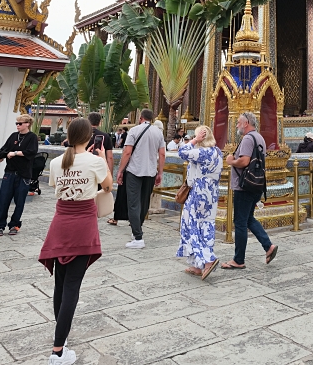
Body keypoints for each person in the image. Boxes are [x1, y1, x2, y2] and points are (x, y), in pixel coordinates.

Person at [40, 117, 111, 365]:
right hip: (82, 224)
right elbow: (108, 186)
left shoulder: (58, 161)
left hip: (61, 223)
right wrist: (101, 159)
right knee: (72, 287)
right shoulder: (94, 161)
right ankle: (58, 351)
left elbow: (54, 186)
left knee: (61, 284)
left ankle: (62, 340)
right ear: (90, 137)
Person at [220, 111, 277, 270]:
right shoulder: (260, 138)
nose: (237, 124)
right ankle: (268, 246)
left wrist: (231, 161)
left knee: (240, 222)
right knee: (248, 219)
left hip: (244, 186)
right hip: (256, 184)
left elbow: (244, 161)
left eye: (239, 122)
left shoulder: (247, 139)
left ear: (246, 123)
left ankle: (238, 260)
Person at [176, 125, 223, 280]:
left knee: (192, 225)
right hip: (211, 193)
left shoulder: (202, 152)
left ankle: (208, 259)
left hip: (198, 192)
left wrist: (195, 140)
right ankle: (198, 264)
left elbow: (181, 152)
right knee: (206, 225)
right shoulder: (217, 152)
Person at [115, 109, 166, 249]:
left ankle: (138, 237)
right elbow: (162, 154)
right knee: (144, 202)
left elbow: (127, 152)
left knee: (133, 202)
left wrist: (120, 171)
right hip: (150, 172)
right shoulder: (158, 133)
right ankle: (137, 230)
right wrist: (160, 172)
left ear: (140, 118)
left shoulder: (134, 131)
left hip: (134, 171)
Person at [0, 114, 39, 237]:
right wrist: (1, 155)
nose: (18, 125)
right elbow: (5, 149)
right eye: (17, 123)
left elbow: (31, 152)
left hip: (23, 174)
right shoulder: (13, 136)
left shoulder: (32, 137)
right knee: (4, 199)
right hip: (10, 173)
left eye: (20, 123)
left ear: (27, 124)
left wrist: (16, 153)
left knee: (20, 201)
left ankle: (14, 224)